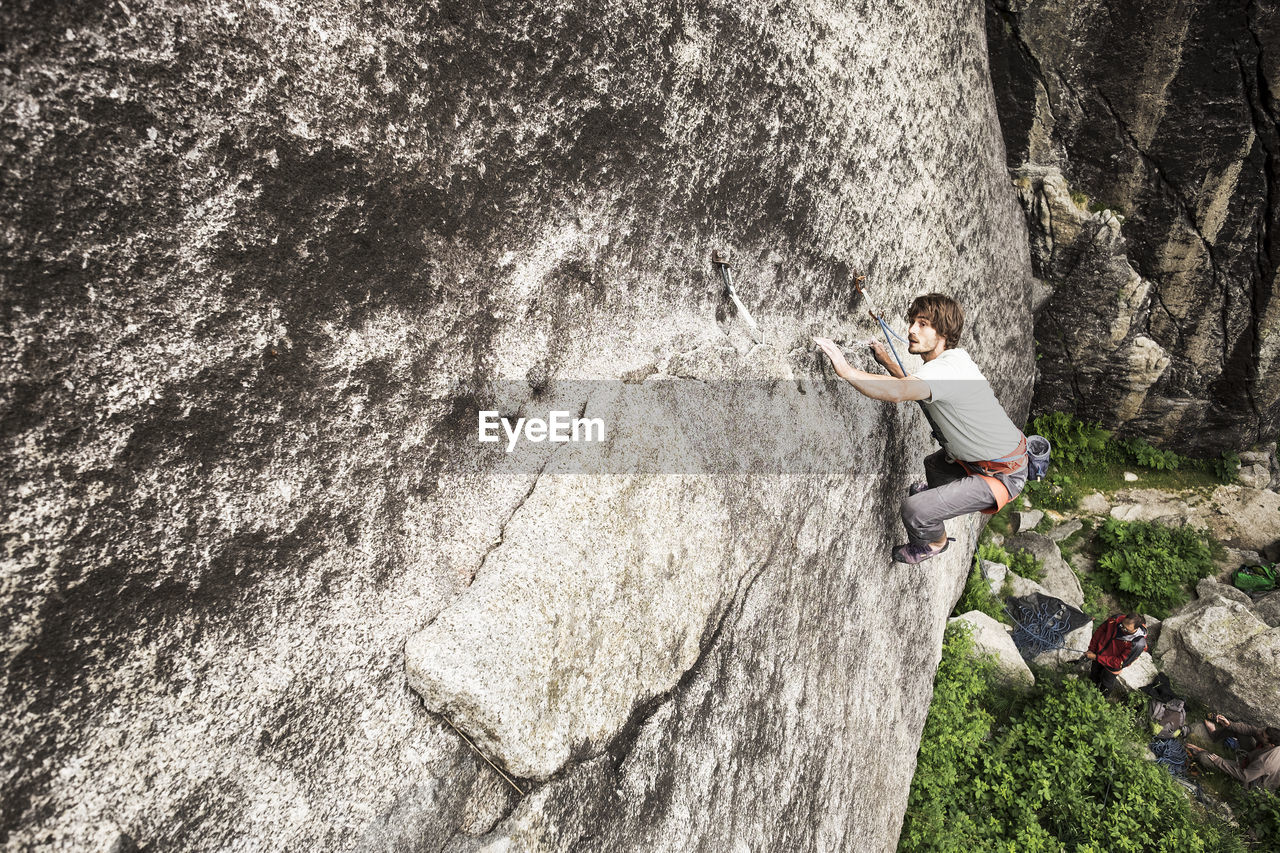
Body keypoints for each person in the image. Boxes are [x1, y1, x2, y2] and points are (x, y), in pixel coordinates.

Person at [813, 293, 1028, 563]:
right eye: (912, 322)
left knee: (915, 509)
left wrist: (848, 371)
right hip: (989, 459)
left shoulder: (946, 371)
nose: (911, 330)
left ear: (944, 332)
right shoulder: (954, 361)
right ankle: (938, 502)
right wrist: (888, 363)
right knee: (935, 465)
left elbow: (901, 392)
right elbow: (920, 388)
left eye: (923, 324)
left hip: (1000, 475)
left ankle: (935, 542)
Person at [1186, 715, 1280, 791]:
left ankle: (1201, 751)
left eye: (1262, 734)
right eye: (1262, 731)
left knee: (1204, 758)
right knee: (1237, 729)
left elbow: (1244, 776)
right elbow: (1252, 730)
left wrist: (1219, 761)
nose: (1259, 732)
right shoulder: (1272, 741)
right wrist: (1229, 724)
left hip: (1250, 780)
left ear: (1271, 745)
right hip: (1254, 757)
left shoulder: (1266, 763)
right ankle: (1214, 735)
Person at [1084, 613, 1147, 695]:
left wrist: (1096, 657)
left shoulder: (1137, 644)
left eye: (1127, 629)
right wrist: (1092, 649)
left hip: (1113, 665)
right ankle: (1090, 690)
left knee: (1106, 683)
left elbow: (1119, 662)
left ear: (1136, 628)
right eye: (1122, 625)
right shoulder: (1115, 620)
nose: (1122, 629)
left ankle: (1101, 698)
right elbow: (1101, 631)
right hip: (1099, 652)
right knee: (1094, 673)